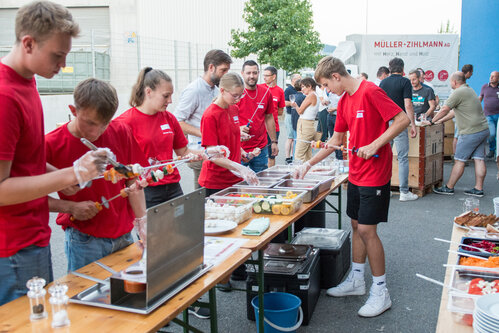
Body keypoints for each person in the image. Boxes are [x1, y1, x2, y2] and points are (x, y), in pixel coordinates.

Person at [0, 1, 109, 306]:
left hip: (32, 237)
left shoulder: (28, 81)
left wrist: (58, 178)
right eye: (57, 56)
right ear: (28, 43)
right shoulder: (5, 97)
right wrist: (70, 173)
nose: (62, 66)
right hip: (12, 248)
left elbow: (27, 162)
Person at [295, 56, 410, 317]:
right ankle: (357, 280)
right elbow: (336, 139)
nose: (326, 91)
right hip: (356, 174)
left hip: (375, 173)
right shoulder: (345, 101)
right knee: (356, 226)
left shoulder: (370, 91)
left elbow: (402, 120)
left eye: (326, 84)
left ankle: (381, 292)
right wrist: (308, 164)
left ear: (336, 76)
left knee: (368, 231)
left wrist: (376, 144)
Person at [46, 78, 147, 271]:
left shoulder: (121, 130)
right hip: (85, 240)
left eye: (104, 124)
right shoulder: (51, 144)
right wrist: (70, 206)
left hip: (124, 235)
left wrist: (142, 223)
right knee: (84, 298)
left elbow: (132, 181)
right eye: (90, 123)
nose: (97, 132)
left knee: (129, 296)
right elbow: (29, 198)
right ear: (73, 111)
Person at [200, 72, 259, 287]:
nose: (238, 99)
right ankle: (221, 275)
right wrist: (237, 166)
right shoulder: (210, 115)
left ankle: (238, 269)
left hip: (235, 177)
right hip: (215, 181)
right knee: (220, 230)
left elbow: (231, 138)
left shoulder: (233, 108)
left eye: (240, 95)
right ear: (222, 90)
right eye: (235, 95)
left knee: (237, 225)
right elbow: (211, 154)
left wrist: (241, 152)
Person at [116, 68, 199, 208]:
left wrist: (208, 153)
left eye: (171, 96)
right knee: (153, 230)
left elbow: (183, 152)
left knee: (180, 229)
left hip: (173, 187)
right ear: (148, 92)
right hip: (146, 190)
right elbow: (117, 163)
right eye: (166, 96)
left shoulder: (169, 118)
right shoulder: (125, 122)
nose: (170, 101)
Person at [174, 50, 232, 188]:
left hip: (213, 151)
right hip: (200, 152)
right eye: (223, 70)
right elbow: (177, 122)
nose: (225, 75)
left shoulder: (215, 89)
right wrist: (205, 133)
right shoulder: (194, 90)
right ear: (211, 67)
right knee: (203, 198)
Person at [432, 72, 489, 197]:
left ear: (454, 82)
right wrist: (440, 120)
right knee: (479, 159)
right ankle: (478, 188)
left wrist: (432, 121)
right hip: (483, 129)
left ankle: (449, 187)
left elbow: (445, 109)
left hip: (470, 132)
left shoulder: (458, 92)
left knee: (459, 160)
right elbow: (453, 112)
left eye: (450, 81)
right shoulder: (468, 90)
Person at [380, 58, 418, 201]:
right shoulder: (405, 82)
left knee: (385, 157)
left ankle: (386, 189)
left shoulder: (383, 82)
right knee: (402, 157)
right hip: (399, 122)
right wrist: (412, 124)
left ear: (389, 68)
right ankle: (404, 192)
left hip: (385, 123)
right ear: (402, 68)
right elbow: (408, 105)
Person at [238, 60, 278, 172]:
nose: (252, 76)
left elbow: (269, 117)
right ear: (242, 73)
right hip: (239, 148)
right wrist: (238, 128)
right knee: (239, 184)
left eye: (254, 73)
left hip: (260, 148)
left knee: (260, 182)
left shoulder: (266, 92)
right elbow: (225, 120)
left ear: (258, 73)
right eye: (248, 73)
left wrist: (274, 142)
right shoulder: (236, 93)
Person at [261, 66, 285, 167]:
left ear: (274, 76)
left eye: (267, 75)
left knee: (271, 155)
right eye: (264, 75)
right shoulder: (260, 88)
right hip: (260, 128)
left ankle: (269, 177)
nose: (264, 78)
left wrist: (271, 114)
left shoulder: (279, 91)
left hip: (274, 128)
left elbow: (280, 111)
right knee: (260, 155)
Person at [292, 77, 320, 162]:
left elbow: (300, 111)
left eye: (303, 86)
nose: (302, 89)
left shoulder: (311, 96)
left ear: (310, 86)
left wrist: (295, 105)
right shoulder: (315, 95)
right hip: (309, 124)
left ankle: (297, 173)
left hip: (305, 125)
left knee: (299, 154)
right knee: (307, 154)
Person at [479, 71, 499, 159]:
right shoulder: (485, 87)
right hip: (488, 115)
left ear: (498, 78)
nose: (491, 78)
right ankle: (492, 150)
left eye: (494, 76)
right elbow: (480, 98)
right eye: (491, 76)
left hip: (498, 115)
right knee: (492, 134)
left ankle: (497, 153)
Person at [284, 74, 302, 164]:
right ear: (293, 80)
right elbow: (284, 102)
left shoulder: (297, 89)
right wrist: (292, 103)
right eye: (299, 79)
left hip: (296, 115)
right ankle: (287, 157)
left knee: (295, 138)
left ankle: (292, 156)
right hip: (290, 115)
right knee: (290, 137)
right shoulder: (288, 89)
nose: (301, 81)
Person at [327, 91, 344, 160]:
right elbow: (329, 102)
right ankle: (337, 156)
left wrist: (335, 108)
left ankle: (340, 158)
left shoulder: (342, 93)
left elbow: (344, 105)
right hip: (330, 115)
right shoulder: (331, 93)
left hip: (338, 116)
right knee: (332, 137)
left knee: (338, 138)